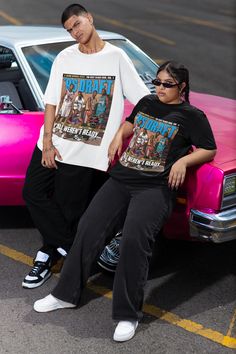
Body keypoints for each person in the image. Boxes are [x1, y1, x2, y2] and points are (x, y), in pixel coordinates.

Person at [33, 61, 217, 342]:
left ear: (182, 87)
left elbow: (209, 149)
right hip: (122, 179)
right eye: (157, 82)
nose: (160, 88)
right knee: (88, 228)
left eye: (167, 84)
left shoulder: (192, 115)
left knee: (133, 243)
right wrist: (120, 133)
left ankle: (127, 315)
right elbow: (132, 122)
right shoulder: (146, 101)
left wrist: (183, 160)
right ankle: (65, 295)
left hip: (154, 188)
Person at [22, 3, 150, 289]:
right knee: (32, 192)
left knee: (69, 208)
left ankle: (47, 254)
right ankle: (68, 247)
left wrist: (120, 133)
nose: (75, 33)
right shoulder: (65, 57)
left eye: (77, 24)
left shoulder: (116, 57)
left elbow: (143, 100)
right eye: (69, 30)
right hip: (55, 139)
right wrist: (47, 141)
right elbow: (52, 100)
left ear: (90, 19)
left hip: (87, 150)